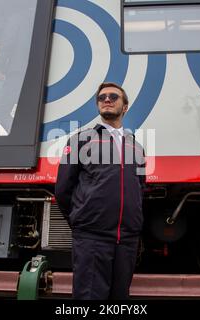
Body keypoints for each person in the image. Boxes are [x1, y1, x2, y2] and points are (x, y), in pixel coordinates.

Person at [55, 82, 146, 300]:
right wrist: (82, 221)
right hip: (92, 238)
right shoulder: (80, 140)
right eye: (102, 97)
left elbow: (140, 188)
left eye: (114, 96)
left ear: (125, 107)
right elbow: (63, 189)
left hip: (126, 240)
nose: (106, 99)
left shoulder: (137, 147)